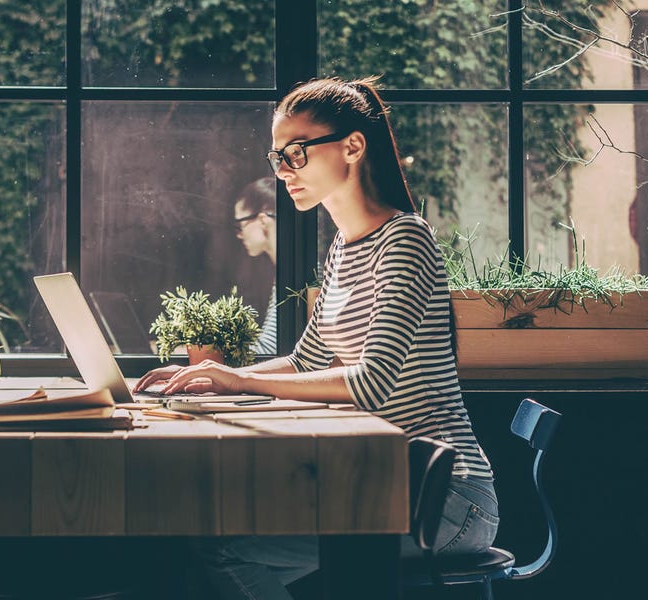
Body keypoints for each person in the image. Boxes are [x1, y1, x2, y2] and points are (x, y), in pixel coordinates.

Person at [134, 76, 498, 599]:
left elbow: (370, 384)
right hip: (379, 485)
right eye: (277, 156)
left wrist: (236, 378)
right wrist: (210, 380)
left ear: (352, 146)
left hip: (447, 501)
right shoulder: (343, 250)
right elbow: (307, 361)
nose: (283, 171)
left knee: (223, 549)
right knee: (203, 536)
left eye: (297, 153)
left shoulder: (406, 238)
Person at [233, 176, 277, 355]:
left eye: (240, 224)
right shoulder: (284, 273)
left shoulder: (294, 276)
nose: (239, 235)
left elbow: (269, 351)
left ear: (262, 220)